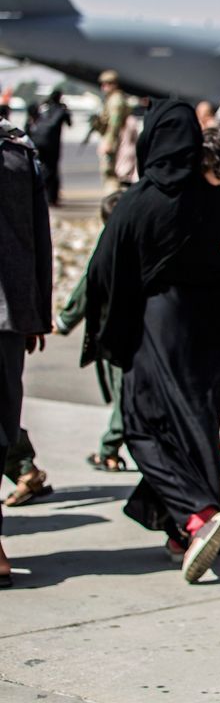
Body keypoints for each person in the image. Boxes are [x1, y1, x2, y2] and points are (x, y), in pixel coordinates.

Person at [82, 101, 220, 584]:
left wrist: (108, 328)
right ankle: (180, 533)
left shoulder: (146, 199)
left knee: (144, 427)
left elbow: (105, 270)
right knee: (195, 425)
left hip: (164, 328)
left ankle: (198, 517)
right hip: (219, 329)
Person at [0, 115, 53, 587]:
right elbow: (39, 236)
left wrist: (37, 306)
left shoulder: (20, 154)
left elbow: (38, 235)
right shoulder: (19, 154)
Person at [54, 192, 130, 472]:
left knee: (124, 395)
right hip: (136, 334)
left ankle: (110, 448)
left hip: (116, 335)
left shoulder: (109, 250)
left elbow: (87, 288)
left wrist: (64, 322)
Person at [26, 90, 72, 205]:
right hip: (51, 144)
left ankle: (41, 194)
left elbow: (32, 118)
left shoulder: (44, 107)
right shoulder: (61, 110)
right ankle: (51, 197)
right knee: (52, 169)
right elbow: (70, 123)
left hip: (37, 140)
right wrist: (66, 110)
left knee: (41, 167)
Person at [94, 70, 129, 191]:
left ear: (114, 84)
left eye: (107, 83)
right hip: (110, 138)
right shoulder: (112, 98)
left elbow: (115, 123)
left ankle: (112, 202)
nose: (104, 87)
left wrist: (109, 142)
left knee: (109, 173)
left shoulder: (115, 100)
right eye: (103, 84)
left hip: (111, 140)